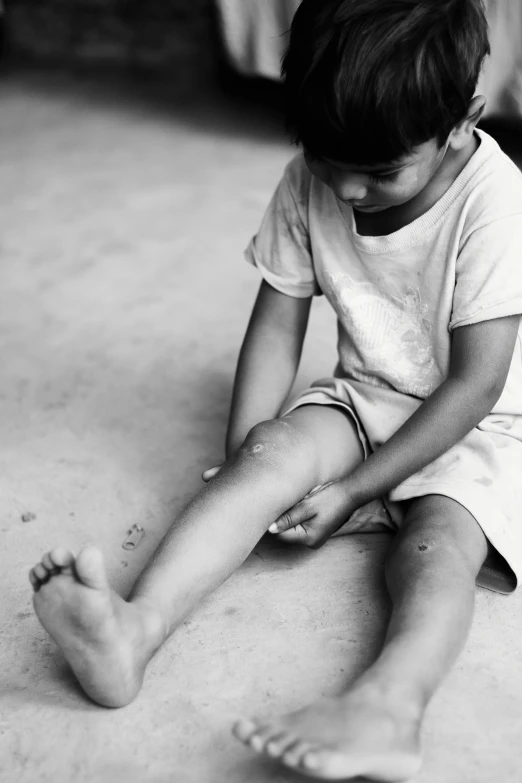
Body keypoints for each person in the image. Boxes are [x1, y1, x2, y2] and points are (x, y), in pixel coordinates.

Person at [28, 0, 522, 779]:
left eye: (382, 171)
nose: (351, 192)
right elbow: (275, 327)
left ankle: (388, 706)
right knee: (270, 450)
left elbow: (475, 385)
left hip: (476, 425)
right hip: (366, 397)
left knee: (432, 548)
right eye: (331, 163)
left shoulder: (494, 201)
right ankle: (133, 628)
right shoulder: (310, 179)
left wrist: (357, 487)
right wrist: (253, 459)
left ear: (461, 122)